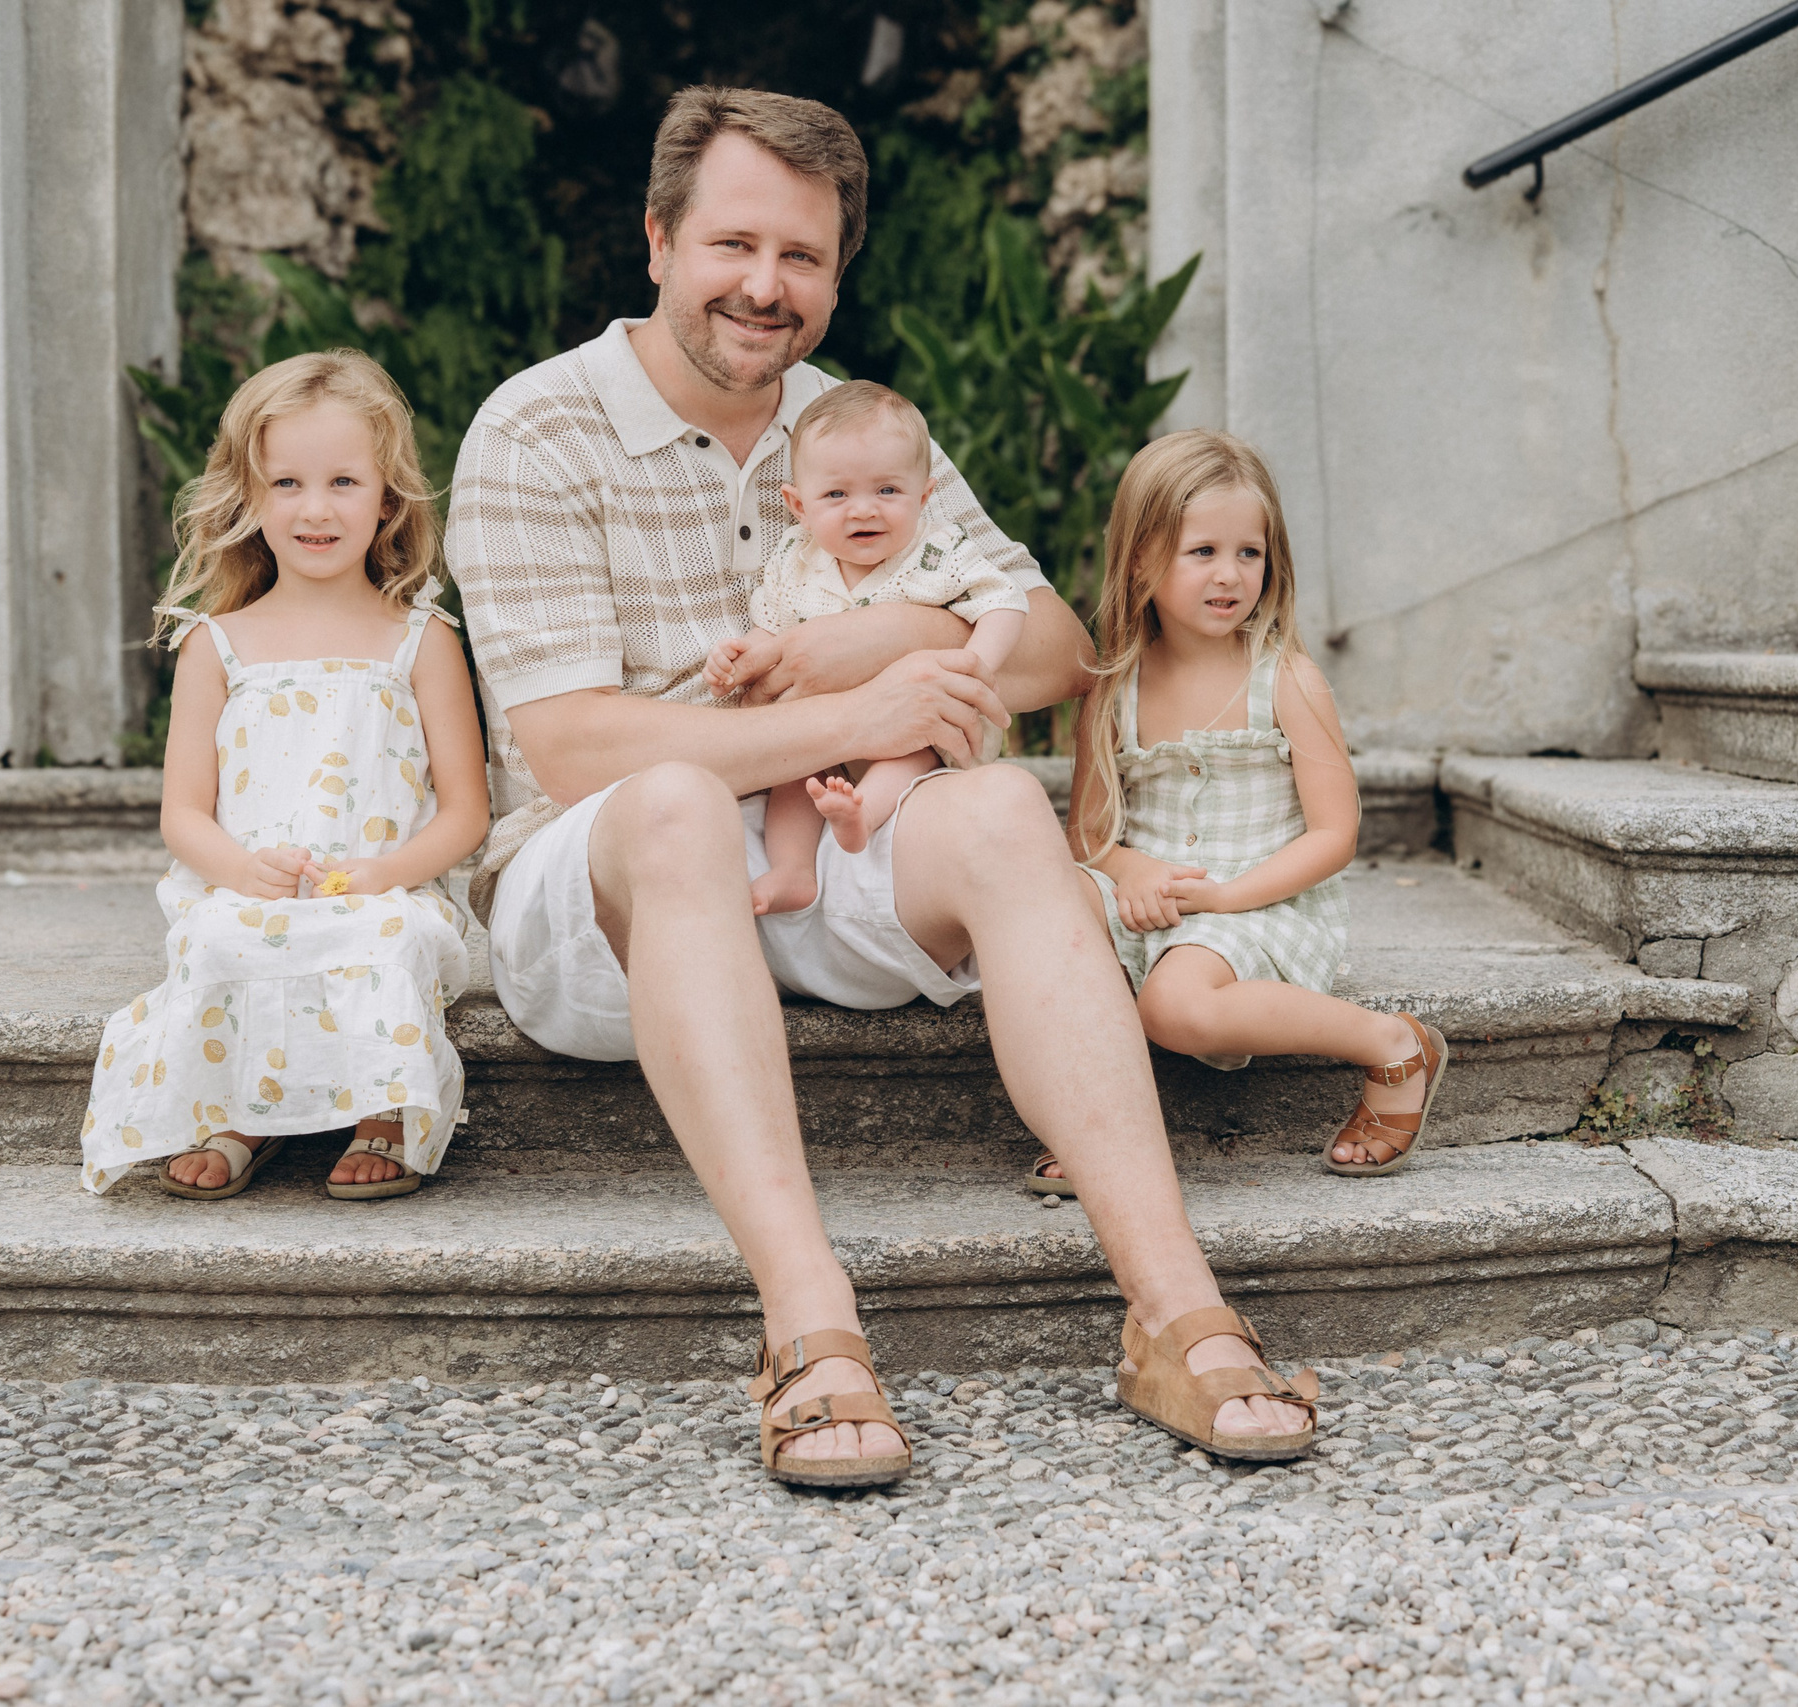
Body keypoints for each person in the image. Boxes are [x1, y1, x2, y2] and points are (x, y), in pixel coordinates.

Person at [446, 86, 1320, 1484]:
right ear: (658, 239)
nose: (765, 287)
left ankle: (1174, 1308)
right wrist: (863, 701)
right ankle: (812, 1327)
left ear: (837, 275)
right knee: (671, 799)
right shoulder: (537, 429)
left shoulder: (853, 428)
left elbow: (1052, 644)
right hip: (597, 895)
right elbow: (574, 750)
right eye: (734, 244)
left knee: (994, 806)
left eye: (803, 258)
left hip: (829, 855)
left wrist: (887, 632)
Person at [78, 350, 489, 1203]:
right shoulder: (216, 643)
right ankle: (247, 1111)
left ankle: (385, 1107)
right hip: (256, 888)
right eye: (288, 483)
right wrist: (239, 870)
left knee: (385, 940)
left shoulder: (422, 639)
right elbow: (184, 813)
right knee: (219, 940)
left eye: (343, 481)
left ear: (387, 496)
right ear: (250, 496)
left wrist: (384, 874)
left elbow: (465, 812)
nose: (315, 509)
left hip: (381, 887)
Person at [1046, 430, 1447, 1193]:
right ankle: (1093, 1115)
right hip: (1156, 897)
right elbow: (1091, 833)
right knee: (1041, 908)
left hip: (1260, 900)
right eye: (1201, 552)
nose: (1229, 575)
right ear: (1140, 558)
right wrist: (1131, 869)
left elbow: (1336, 834)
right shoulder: (1113, 686)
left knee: (1175, 1004)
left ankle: (1393, 1041)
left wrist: (1226, 895)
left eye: (1248, 554)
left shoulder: (1286, 680)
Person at [704, 380, 1028, 917]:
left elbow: (1005, 599)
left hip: (915, 721)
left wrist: (973, 669)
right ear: (799, 505)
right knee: (791, 770)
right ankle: (792, 871)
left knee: (911, 749)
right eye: (837, 495)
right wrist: (740, 657)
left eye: (887, 491)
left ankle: (861, 817)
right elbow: (770, 629)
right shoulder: (795, 559)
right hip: (826, 726)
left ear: (923, 496)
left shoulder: (936, 550)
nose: (863, 511)